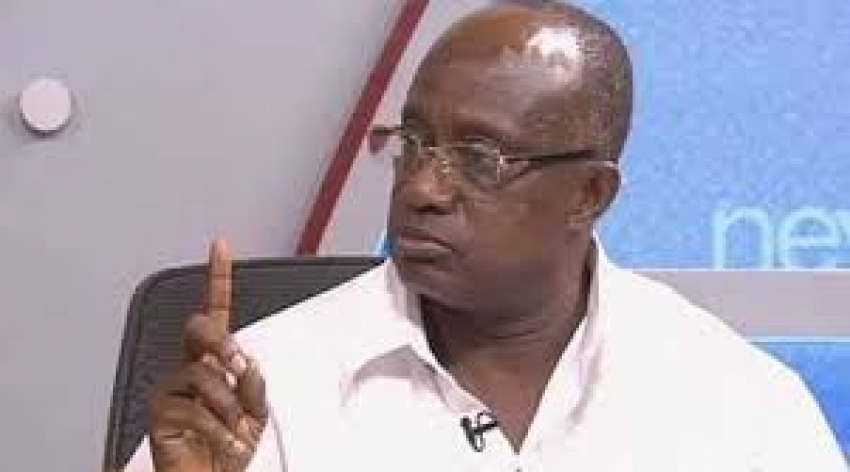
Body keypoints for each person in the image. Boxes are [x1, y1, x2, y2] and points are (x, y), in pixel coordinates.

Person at [124, 3, 847, 471]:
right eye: (413, 142)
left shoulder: (735, 400)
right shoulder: (263, 391)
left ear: (588, 196)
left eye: (479, 158)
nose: (422, 188)